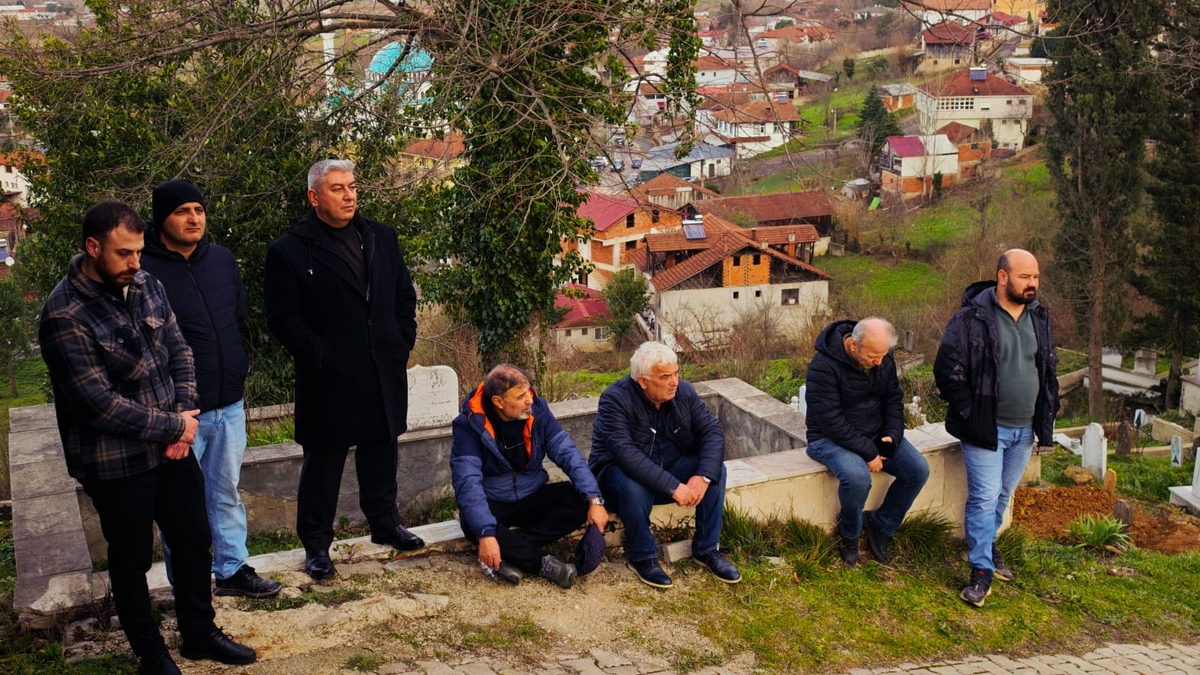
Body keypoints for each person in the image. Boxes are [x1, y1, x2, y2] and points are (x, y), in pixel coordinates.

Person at [39, 201, 256, 675]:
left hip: (172, 445)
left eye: (138, 252)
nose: (135, 263)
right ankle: (150, 652)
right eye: (123, 254)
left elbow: (180, 350)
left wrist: (183, 415)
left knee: (195, 538)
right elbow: (97, 403)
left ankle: (199, 633)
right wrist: (175, 427)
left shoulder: (144, 282)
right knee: (132, 556)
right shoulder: (64, 314)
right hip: (114, 461)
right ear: (92, 247)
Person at [264, 160, 423, 581]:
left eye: (352, 187)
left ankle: (386, 524)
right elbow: (283, 319)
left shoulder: (380, 237)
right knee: (323, 464)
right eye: (337, 189)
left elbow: (403, 295)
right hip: (328, 378)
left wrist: (400, 339)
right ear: (315, 197)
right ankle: (316, 545)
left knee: (382, 450)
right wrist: (321, 355)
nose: (349, 195)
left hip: (381, 368)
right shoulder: (290, 250)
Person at [140, 180, 281, 599]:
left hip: (229, 404)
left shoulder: (222, 259)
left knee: (225, 494)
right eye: (182, 211)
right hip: (180, 415)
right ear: (162, 218)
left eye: (199, 210)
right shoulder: (144, 270)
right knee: (180, 508)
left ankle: (232, 570)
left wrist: (236, 372)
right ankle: (189, 584)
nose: (193, 218)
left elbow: (237, 320)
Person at [934, 249, 1059, 607]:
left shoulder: (1040, 317)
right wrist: (972, 412)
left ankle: (987, 547)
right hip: (986, 428)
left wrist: (1047, 413)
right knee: (985, 498)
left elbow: (1047, 369)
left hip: (1025, 429)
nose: (1032, 283)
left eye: (1035, 276)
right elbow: (947, 371)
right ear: (1003, 277)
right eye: (1025, 277)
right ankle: (981, 571)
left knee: (1003, 497)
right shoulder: (971, 317)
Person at [589, 341, 740, 588]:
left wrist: (701, 476)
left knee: (716, 472)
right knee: (633, 486)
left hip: (667, 469)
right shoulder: (615, 399)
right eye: (665, 376)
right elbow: (625, 455)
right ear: (643, 380)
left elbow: (711, 431)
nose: (674, 381)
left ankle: (706, 549)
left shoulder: (684, 393)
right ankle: (643, 557)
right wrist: (674, 487)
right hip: (619, 478)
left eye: (676, 373)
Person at [450, 364, 609, 589]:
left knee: (576, 499)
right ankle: (541, 564)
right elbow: (467, 481)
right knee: (471, 521)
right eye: (521, 396)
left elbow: (567, 453)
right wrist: (486, 535)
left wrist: (594, 499)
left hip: (532, 493)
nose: (529, 400)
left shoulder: (538, 411)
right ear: (498, 402)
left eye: (529, 392)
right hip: (494, 500)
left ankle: (511, 553)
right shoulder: (469, 424)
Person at [804, 318, 930, 565]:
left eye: (883, 355)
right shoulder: (823, 365)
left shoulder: (883, 357)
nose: (879, 362)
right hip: (828, 438)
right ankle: (849, 534)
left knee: (917, 470)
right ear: (853, 345)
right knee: (857, 478)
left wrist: (890, 439)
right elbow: (829, 420)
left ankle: (882, 527)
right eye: (873, 356)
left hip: (874, 432)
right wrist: (870, 453)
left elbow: (893, 399)